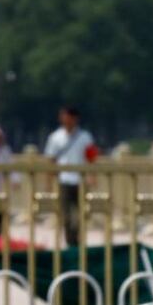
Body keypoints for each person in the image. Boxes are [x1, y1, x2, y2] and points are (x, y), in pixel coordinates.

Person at [43, 106, 95, 247]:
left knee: (80, 215)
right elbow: (51, 160)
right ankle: (70, 242)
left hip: (80, 181)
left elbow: (91, 158)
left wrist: (91, 176)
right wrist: (48, 181)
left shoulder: (85, 137)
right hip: (63, 181)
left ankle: (77, 240)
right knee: (66, 215)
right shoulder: (55, 137)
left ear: (75, 118)